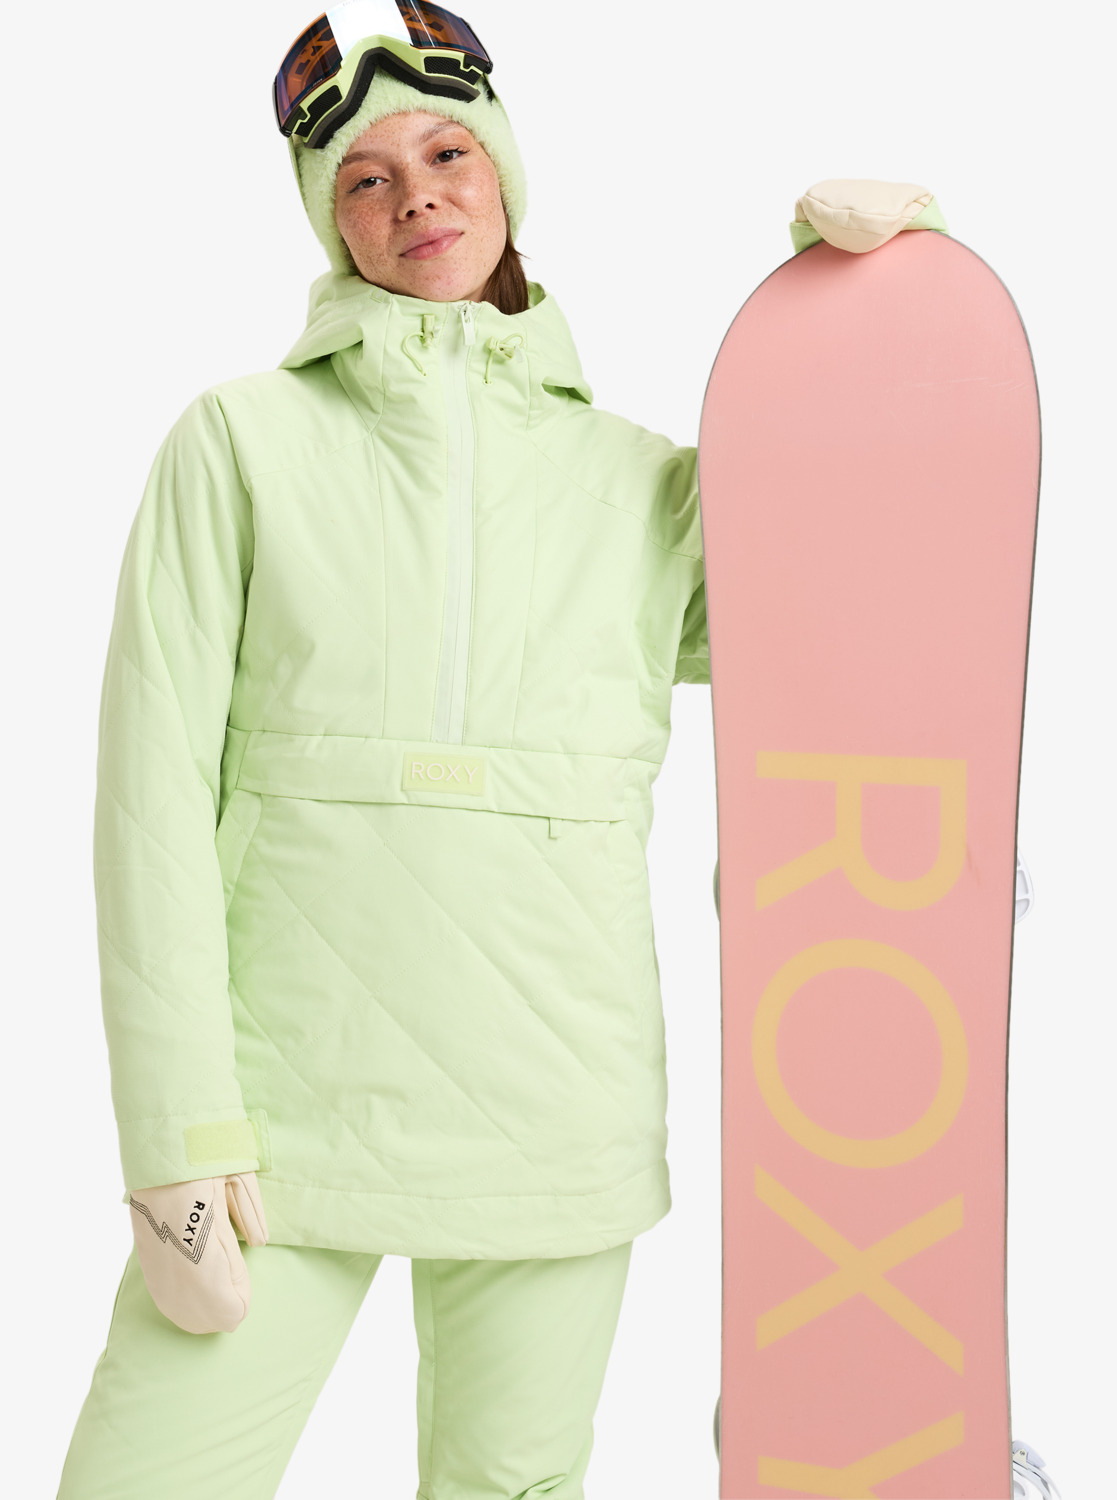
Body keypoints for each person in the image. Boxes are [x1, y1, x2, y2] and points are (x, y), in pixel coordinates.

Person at [55, 5, 925, 1496]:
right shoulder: (239, 443)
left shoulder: (645, 488)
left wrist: (855, 312)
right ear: (329, 222)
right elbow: (149, 804)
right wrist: (175, 1134)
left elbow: (851, 583)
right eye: (366, 179)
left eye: (448, 154)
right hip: (279, 1117)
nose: (417, 198)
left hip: (555, 1102)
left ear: (507, 172)